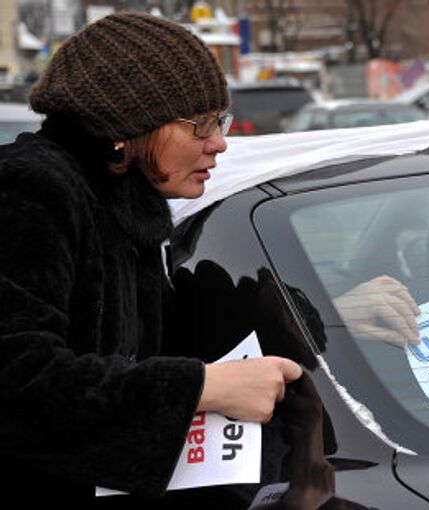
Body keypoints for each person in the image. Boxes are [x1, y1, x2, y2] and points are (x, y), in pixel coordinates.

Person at [0, 11, 302, 506]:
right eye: (199, 125)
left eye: (219, 121)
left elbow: (189, 320)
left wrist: (326, 313)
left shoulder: (123, 204)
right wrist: (202, 387)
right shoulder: (30, 190)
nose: (220, 142)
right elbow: (19, 380)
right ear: (128, 127)